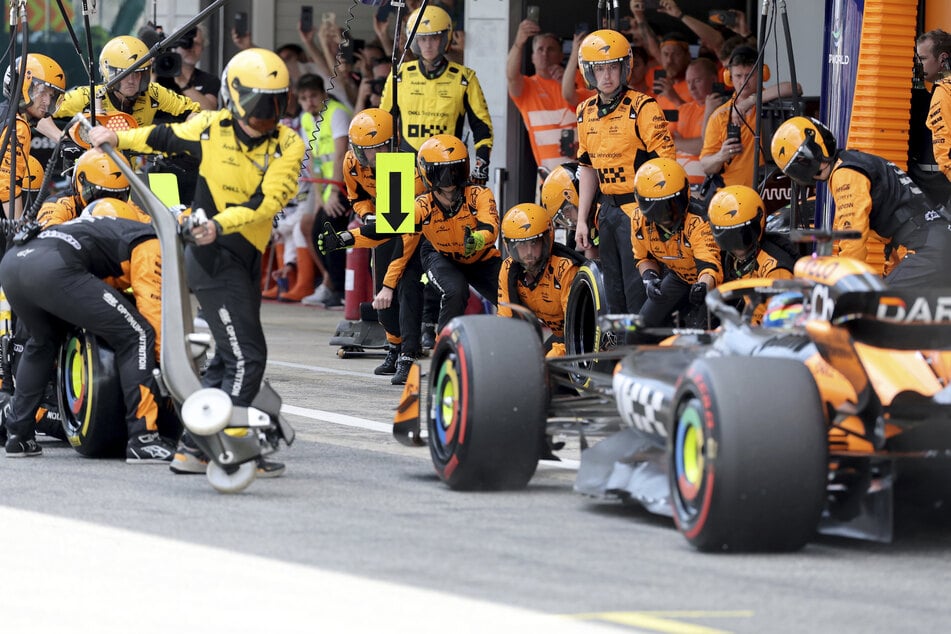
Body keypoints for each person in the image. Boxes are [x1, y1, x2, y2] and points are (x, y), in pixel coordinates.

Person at [88, 47, 305, 475]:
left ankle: (191, 447)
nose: (266, 115)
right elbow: (160, 137)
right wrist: (114, 138)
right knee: (248, 356)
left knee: (227, 358)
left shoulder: (289, 145)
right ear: (234, 96)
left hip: (242, 253)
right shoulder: (211, 128)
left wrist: (220, 225)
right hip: (209, 259)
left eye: (276, 104)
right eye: (259, 104)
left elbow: (268, 202)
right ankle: (234, 445)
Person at [318, 134, 501, 384]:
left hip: (473, 253)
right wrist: (346, 237)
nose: (448, 183)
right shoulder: (414, 199)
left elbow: (491, 226)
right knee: (432, 288)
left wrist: (478, 239)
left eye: (454, 171)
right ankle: (419, 353)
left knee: (511, 296)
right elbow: (386, 226)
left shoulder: (478, 193)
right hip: (436, 248)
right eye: (441, 174)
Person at [0, 200, 171, 461]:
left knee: (42, 341)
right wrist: (164, 369)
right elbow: (153, 316)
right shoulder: (150, 241)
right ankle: (143, 438)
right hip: (52, 267)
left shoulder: (85, 227)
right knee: (138, 334)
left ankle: (18, 436)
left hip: (13, 263)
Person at [771, 116, 951, 287]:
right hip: (933, 242)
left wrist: (841, 284)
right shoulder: (854, 162)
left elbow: (853, 239)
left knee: (876, 309)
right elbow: (897, 237)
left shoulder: (845, 174)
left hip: (928, 249)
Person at [574, 29, 676, 315]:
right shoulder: (584, 112)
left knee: (637, 297)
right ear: (588, 72)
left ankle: (637, 355)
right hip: (606, 212)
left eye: (613, 67)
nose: (607, 76)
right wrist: (582, 220)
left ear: (625, 67)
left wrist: (654, 214)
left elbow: (667, 164)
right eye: (600, 69)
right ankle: (616, 355)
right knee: (611, 296)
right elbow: (586, 167)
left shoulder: (644, 107)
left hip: (639, 211)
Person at [340, 107, 425, 375]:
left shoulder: (403, 167)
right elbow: (356, 197)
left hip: (415, 227)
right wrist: (368, 215)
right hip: (384, 218)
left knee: (405, 285)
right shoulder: (352, 162)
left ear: (390, 143)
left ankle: (408, 353)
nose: (367, 156)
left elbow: (407, 235)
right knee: (381, 295)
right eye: (362, 149)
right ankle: (393, 346)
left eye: (375, 149)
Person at [380, 4, 493, 184]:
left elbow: (481, 126)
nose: (428, 45)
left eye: (434, 38)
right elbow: (383, 123)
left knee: (441, 213)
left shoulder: (465, 78)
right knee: (392, 213)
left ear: (445, 38)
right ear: (413, 40)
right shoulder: (399, 74)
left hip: (447, 163)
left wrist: (481, 164)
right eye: (422, 39)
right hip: (399, 165)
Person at [41, 36, 202, 143]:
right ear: (108, 72)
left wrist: (179, 139)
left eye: (138, 74)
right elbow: (37, 111)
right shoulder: (88, 96)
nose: (132, 80)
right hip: (91, 174)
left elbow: (194, 113)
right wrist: (61, 139)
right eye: (124, 74)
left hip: (134, 176)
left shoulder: (154, 93)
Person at [282, 73, 351, 305]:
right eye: (303, 98)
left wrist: (333, 191)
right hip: (325, 185)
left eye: (313, 96)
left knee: (328, 228)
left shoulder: (337, 113)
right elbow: (315, 158)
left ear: (323, 94)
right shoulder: (306, 119)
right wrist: (322, 195)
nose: (309, 101)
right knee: (310, 228)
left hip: (346, 182)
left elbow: (342, 154)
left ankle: (340, 289)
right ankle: (330, 283)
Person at [631, 158, 722, 328]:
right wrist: (649, 278)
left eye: (672, 204)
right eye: (658, 209)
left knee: (698, 332)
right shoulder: (637, 220)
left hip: (710, 283)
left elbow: (709, 265)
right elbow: (643, 258)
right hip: (678, 277)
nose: (666, 216)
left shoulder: (698, 221)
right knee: (639, 328)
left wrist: (703, 286)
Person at [700, 45, 800, 189]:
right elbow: (706, 166)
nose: (744, 81)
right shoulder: (719, 115)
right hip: (732, 195)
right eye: (738, 76)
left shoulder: (771, 101)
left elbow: (795, 88)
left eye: (750, 75)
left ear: (762, 74)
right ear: (729, 77)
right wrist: (721, 155)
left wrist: (750, 101)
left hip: (772, 191)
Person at [497, 203, 583, 357]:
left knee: (545, 366)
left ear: (546, 239)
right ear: (511, 246)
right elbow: (506, 321)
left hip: (581, 333)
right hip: (560, 335)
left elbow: (576, 325)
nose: (529, 252)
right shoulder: (508, 269)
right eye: (522, 244)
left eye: (534, 243)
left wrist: (553, 356)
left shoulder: (565, 268)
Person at [707, 185, 798, 323]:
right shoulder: (730, 258)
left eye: (740, 236)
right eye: (728, 239)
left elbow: (783, 322)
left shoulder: (775, 268)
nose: (736, 248)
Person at [0, 54, 66, 219]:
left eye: (51, 96)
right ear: (24, 86)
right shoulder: (18, 126)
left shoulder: (5, 113)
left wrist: (62, 139)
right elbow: (6, 185)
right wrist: (18, 231)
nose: (46, 101)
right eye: (42, 92)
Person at [506, 20, 576, 173]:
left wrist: (568, 82)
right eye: (540, 49)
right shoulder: (527, 87)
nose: (545, 54)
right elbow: (511, 76)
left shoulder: (578, 80)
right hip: (549, 177)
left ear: (560, 55)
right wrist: (519, 42)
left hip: (582, 175)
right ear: (532, 57)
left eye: (550, 49)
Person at [36, 147, 134, 227]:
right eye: (100, 195)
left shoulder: (131, 207)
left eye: (118, 196)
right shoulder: (57, 206)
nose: (107, 203)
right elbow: (48, 235)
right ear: (80, 182)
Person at [915, 29, 951, 207]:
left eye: (922, 59)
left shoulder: (943, 91)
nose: (917, 64)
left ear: (942, 58)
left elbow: (944, 149)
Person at [540, 161, 582, 248]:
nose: (566, 216)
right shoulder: (576, 233)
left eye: (566, 209)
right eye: (561, 215)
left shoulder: (602, 215)